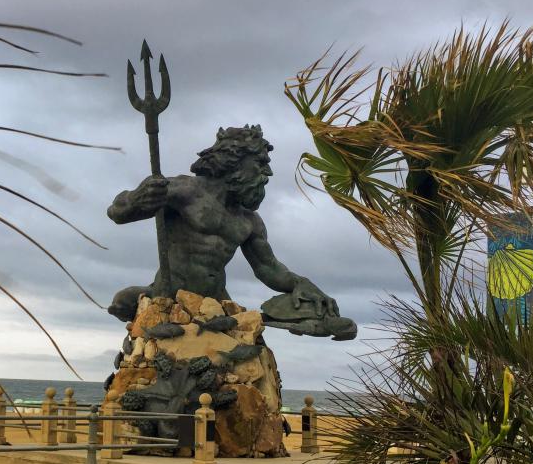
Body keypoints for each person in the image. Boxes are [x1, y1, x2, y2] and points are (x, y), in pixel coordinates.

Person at [107, 124, 356, 340]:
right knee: (123, 301)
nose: (267, 173)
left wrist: (303, 284)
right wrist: (139, 197)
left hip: (217, 301)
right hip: (170, 296)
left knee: (306, 312)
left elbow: (269, 269)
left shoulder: (249, 221)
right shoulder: (186, 190)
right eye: (260, 164)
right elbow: (119, 212)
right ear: (235, 159)